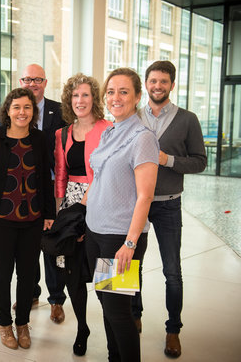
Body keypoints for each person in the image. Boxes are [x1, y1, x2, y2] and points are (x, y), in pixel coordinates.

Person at [83, 68, 159, 362]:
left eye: (124, 91)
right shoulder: (110, 132)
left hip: (119, 237)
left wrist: (129, 243)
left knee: (119, 312)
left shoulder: (142, 138)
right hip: (95, 232)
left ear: (138, 97)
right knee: (106, 303)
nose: (116, 97)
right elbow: (99, 179)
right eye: (111, 91)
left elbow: (146, 195)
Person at [0, 88, 55, 350]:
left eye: (27, 107)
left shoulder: (40, 139)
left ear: (34, 111)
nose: (22, 112)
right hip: (0, 220)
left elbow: (45, 176)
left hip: (32, 219)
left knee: (28, 275)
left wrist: (50, 212)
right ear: (8, 110)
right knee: (3, 275)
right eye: (17, 107)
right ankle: (5, 325)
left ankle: (22, 324)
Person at [134, 60, 207, 358]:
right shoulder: (133, 117)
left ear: (172, 85)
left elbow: (200, 161)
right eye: (153, 81)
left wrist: (168, 160)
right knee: (129, 264)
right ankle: (132, 315)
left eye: (163, 81)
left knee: (172, 271)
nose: (157, 86)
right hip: (135, 203)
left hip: (167, 205)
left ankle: (173, 330)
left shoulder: (188, 119)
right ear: (146, 83)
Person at [54, 73, 112, 356]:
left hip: (105, 205)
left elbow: (113, 174)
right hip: (72, 208)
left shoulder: (110, 129)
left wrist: (86, 204)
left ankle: (118, 330)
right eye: (75, 95)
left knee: (109, 278)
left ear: (95, 99)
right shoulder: (62, 133)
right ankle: (82, 327)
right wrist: (60, 216)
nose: (80, 100)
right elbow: (61, 177)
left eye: (86, 95)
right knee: (72, 273)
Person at [19, 63, 66, 323]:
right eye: (28, 79)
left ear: (45, 82)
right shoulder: (13, 110)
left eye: (37, 79)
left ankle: (56, 299)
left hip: (49, 188)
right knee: (26, 247)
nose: (32, 84)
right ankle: (31, 293)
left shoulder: (59, 111)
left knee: (52, 245)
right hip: (22, 191)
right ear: (20, 81)